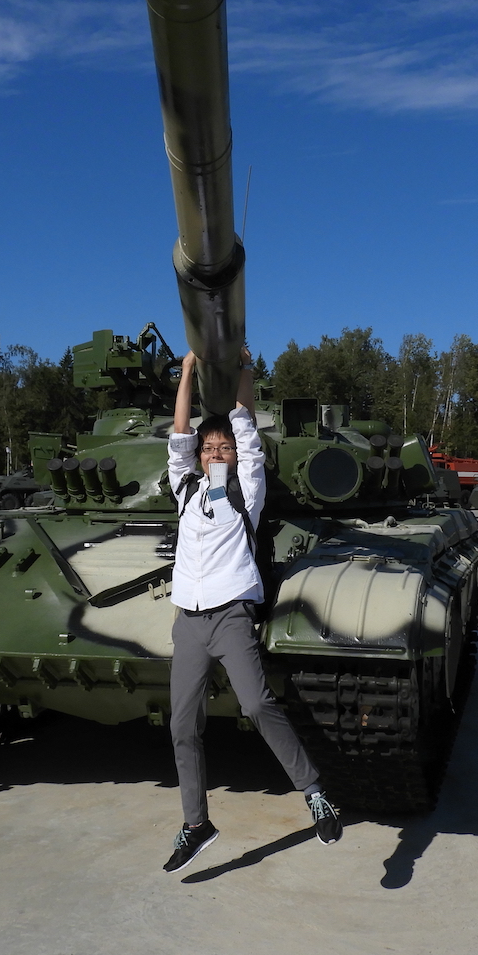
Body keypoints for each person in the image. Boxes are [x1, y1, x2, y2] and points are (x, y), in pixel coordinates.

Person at [162, 349, 341, 874]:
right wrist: (187, 372)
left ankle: (314, 792)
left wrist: (245, 371)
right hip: (189, 620)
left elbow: (244, 422)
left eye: (223, 448)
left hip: (231, 615)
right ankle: (197, 824)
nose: (216, 453)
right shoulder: (185, 489)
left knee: (258, 705)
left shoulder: (248, 490)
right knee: (182, 725)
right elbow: (179, 433)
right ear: (199, 456)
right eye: (209, 448)